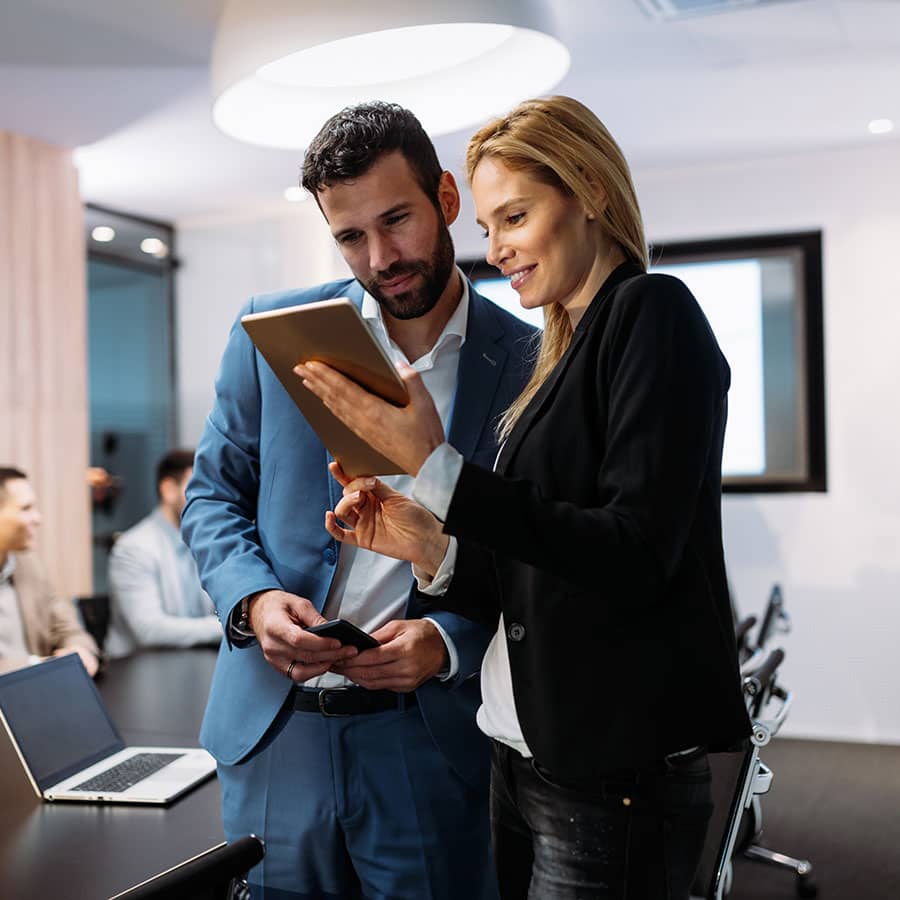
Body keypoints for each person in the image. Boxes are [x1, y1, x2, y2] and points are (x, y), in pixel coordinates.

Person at [297, 96, 753, 900]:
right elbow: (542, 571)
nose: (497, 248)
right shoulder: (559, 353)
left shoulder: (653, 312)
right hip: (528, 755)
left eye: (515, 216)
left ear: (591, 192)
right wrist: (429, 546)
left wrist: (435, 467)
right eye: (486, 228)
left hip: (611, 774)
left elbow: (634, 554)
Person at [182, 101, 535, 899]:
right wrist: (255, 600)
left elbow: (534, 555)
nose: (381, 256)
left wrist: (448, 642)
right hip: (276, 730)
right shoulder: (272, 330)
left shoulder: (527, 362)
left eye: (397, 220)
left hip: (429, 736)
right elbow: (211, 498)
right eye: (349, 236)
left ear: (447, 199)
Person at [105, 449, 222, 658]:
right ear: (169, 490)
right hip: (137, 670)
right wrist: (226, 628)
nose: (207, 497)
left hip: (190, 661)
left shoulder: (202, 542)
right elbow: (149, 630)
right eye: (197, 486)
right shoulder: (133, 548)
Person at [0, 466, 100, 676]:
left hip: (35, 695)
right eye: (25, 509)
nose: (38, 518)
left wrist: (79, 651)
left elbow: (68, 628)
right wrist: (39, 664)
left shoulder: (29, 564)